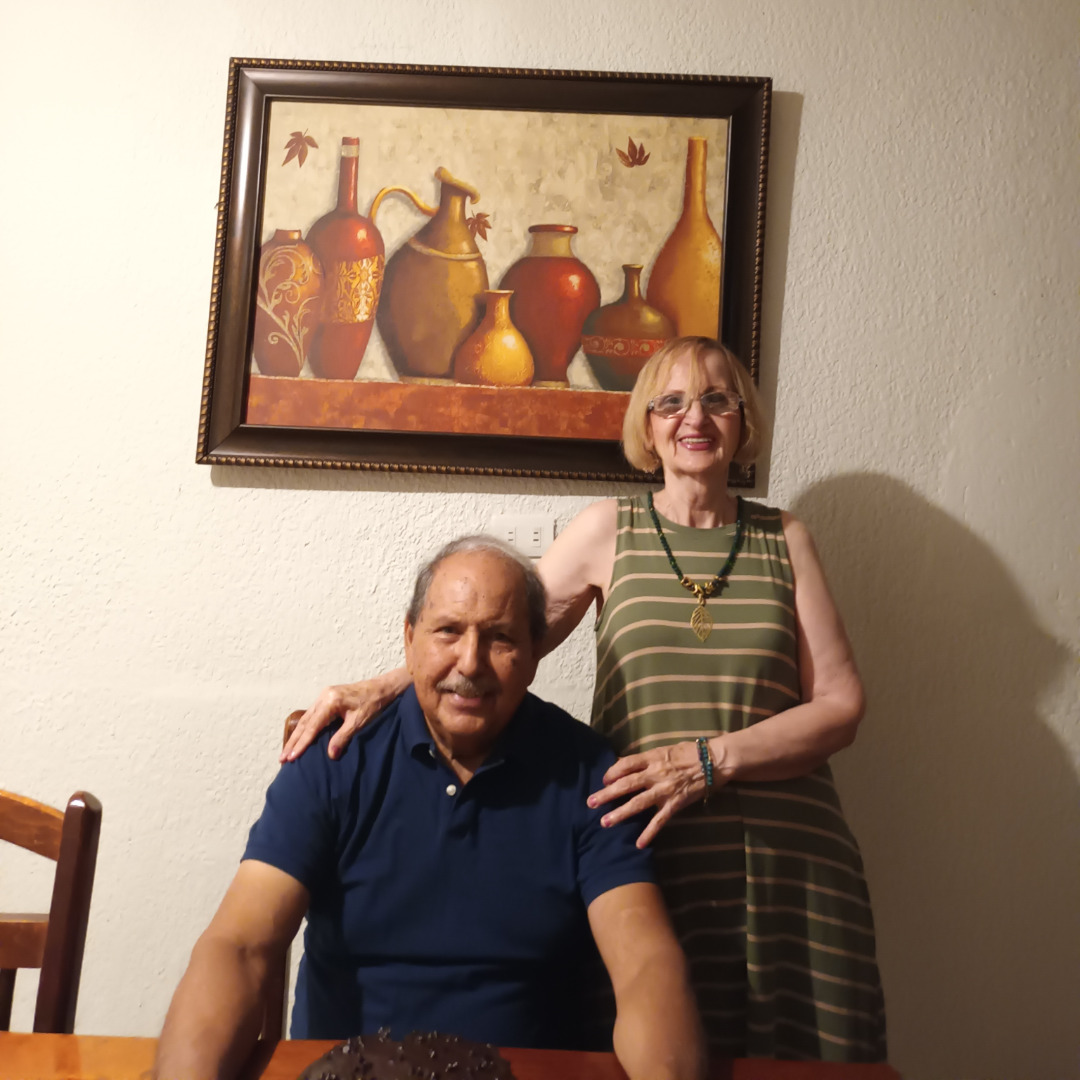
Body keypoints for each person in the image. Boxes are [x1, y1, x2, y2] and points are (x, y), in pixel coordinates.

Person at [283, 336, 888, 1062]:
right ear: (648, 426)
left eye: (716, 400)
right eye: (671, 402)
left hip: (791, 857)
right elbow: (496, 637)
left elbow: (841, 705)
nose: (694, 418)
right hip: (652, 851)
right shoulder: (610, 529)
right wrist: (387, 684)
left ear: (742, 420)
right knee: (666, 1042)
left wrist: (710, 760)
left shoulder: (785, 538)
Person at [154, 537, 704, 1080]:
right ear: (410, 639)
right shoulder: (335, 758)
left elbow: (644, 965)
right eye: (448, 631)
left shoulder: (590, 773)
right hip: (341, 1071)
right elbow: (240, 945)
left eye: (500, 637)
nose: (470, 661)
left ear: (535, 651)